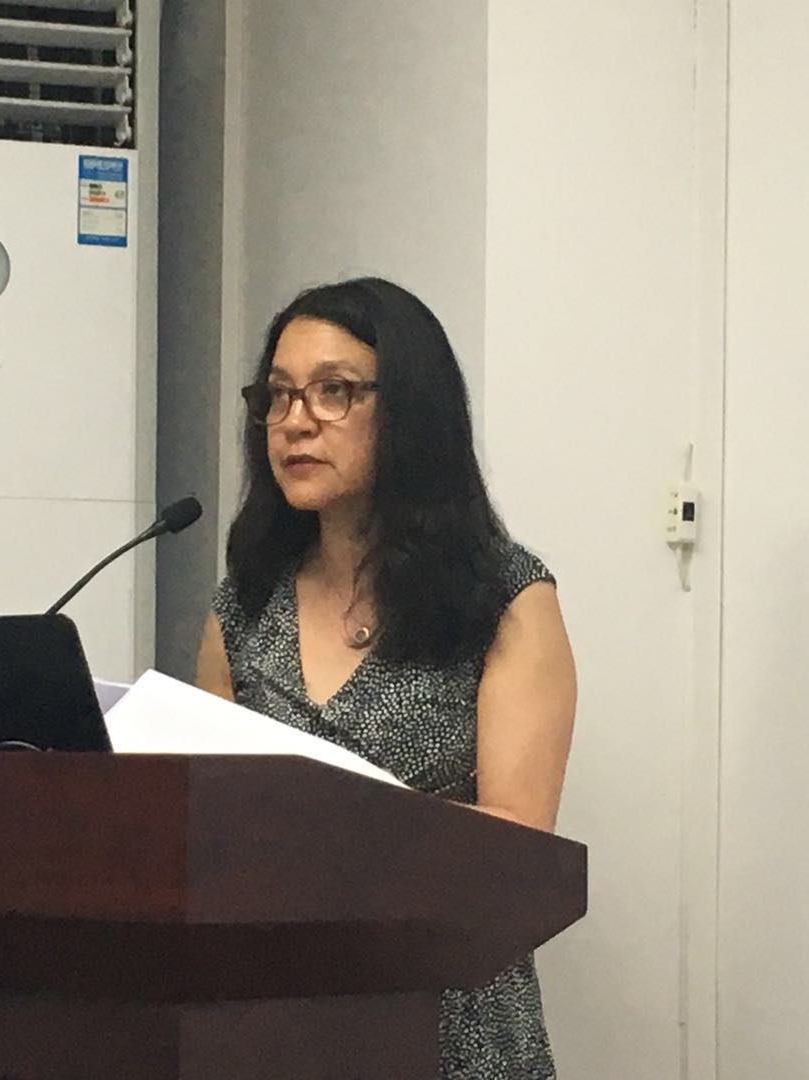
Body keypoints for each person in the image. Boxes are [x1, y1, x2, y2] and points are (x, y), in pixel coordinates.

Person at [194, 276, 577, 1080]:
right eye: (277, 395)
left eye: (333, 391)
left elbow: (517, 849)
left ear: (410, 410)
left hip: (449, 1024)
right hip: (276, 1021)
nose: (296, 420)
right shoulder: (243, 608)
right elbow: (202, 820)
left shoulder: (503, 599)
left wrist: (327, 815)